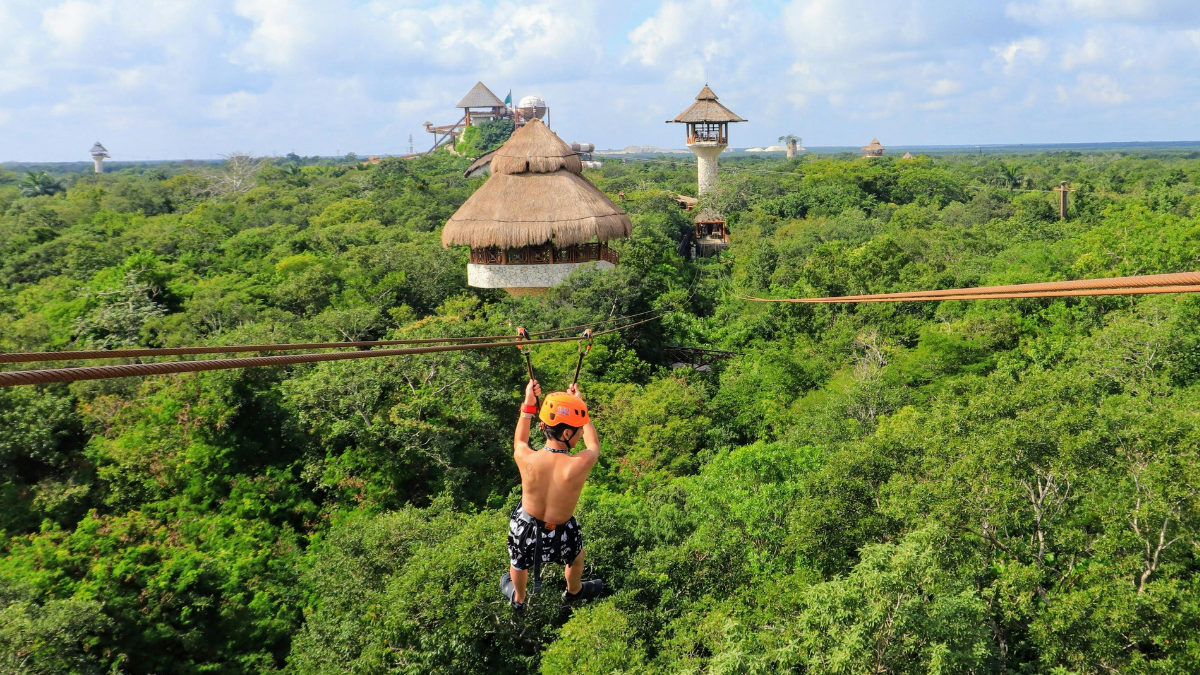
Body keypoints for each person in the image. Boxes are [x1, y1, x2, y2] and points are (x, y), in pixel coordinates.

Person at [500, 379, 604, 609]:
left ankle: (518, 598)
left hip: (526, 526)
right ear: (567, 432)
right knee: (576, 556)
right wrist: (581, 405)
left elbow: (519, 440)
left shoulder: (526, 457)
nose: (578, 434)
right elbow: (594, 445)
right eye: (576, 429)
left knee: (518, 562)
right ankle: (574, 591)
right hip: (561, 530)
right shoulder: (577, 464)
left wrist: (528, 404)